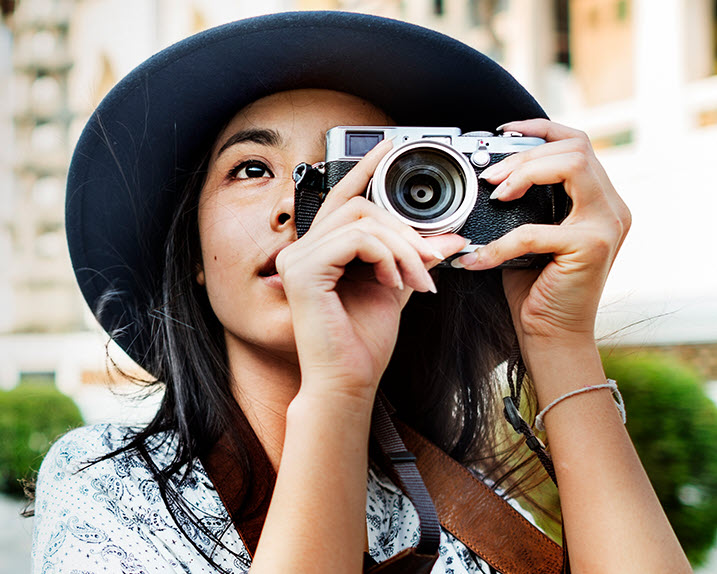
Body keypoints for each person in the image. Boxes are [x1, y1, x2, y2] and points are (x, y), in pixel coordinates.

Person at [31, 11, 691, 574]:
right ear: (193, 257)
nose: (306, 207)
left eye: (359, 175)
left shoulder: (466, 506)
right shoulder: (108, 480)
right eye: (251, 168)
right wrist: (336, 390)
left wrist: (558, 339)